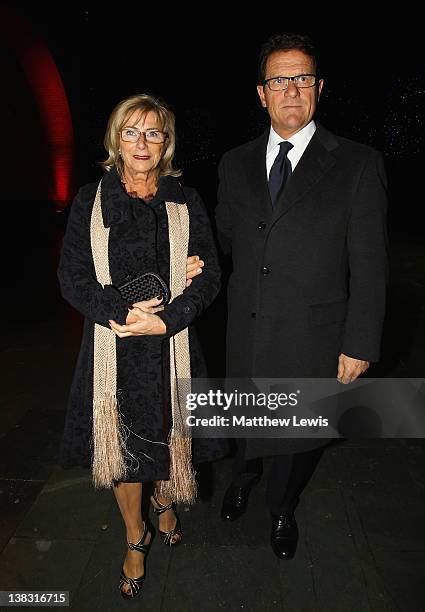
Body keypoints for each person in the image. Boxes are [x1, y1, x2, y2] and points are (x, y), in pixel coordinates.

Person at [215, 33, 388, 560]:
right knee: (246, 418)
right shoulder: (233, 163)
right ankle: (242, 476)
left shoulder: (357, 164)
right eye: (279, 80)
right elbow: (225, 241)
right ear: (262, 94)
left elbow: (371, 263)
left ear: (319, 89)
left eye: (303, 79)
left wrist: (360, 342)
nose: (291, 89)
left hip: (313, 332)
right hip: (246, 326)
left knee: (295, 435)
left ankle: (282, 506)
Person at [57, 93, 225, 598]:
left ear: (166, 141)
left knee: (170, 437)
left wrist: (170, 319)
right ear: (116, 139)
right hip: (116, 347)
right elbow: (71, 275)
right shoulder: (91, 198)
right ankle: (136, 532)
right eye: (131, 131)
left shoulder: (184, 200)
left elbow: (210, 275)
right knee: (125, 452)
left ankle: (164, 496)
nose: (142, 142)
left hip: (173, 345)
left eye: (153, 132)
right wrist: (119, 314)